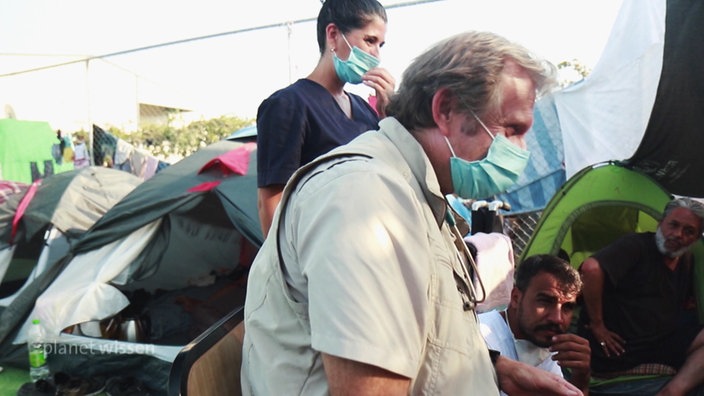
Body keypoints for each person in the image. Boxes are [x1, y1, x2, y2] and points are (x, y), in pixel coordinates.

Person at [241, 31, 584, 395]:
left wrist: (496, 368)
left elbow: (428, 334)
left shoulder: (418, 196)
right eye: (511, 130)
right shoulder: (366, 199)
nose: (522, 150)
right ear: (446, 109)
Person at [256, 0, 396, 236]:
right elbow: (272, 202)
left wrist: (387, 117)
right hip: (318, 254)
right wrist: (288, 269)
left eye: (380, 45)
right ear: (333, 35)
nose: (376, 55)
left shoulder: (364, 110)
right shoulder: (289, 104)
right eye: (369, 41)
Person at [578, 197, 704, 395]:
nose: (678, 234)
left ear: (696, 239)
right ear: (660, 224)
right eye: (673, 225)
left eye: (689, 231)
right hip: (622, 348)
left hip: (659, 342)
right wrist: (597, 324)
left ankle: (672, 391)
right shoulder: (636, 246)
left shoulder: (686, 260)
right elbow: (590, 269)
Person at [479, 254, 591, 395]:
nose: (557, 319)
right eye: (545, 301)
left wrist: (581, 379)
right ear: (516, 298)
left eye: (567, 307)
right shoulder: (479, 337)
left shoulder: (549, 345)